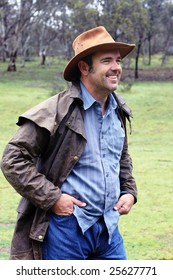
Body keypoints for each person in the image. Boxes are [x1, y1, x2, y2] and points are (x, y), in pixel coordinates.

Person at [1, 26, 137, 260]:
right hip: (67, 230)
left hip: (108, 229)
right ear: (84, 68)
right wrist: (52, 198)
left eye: (117, 60)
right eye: (106, 61)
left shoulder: (117, 110)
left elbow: (120, 157)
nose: (116, 67)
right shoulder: (55, 111)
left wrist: (129, 192)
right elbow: (12, 159)